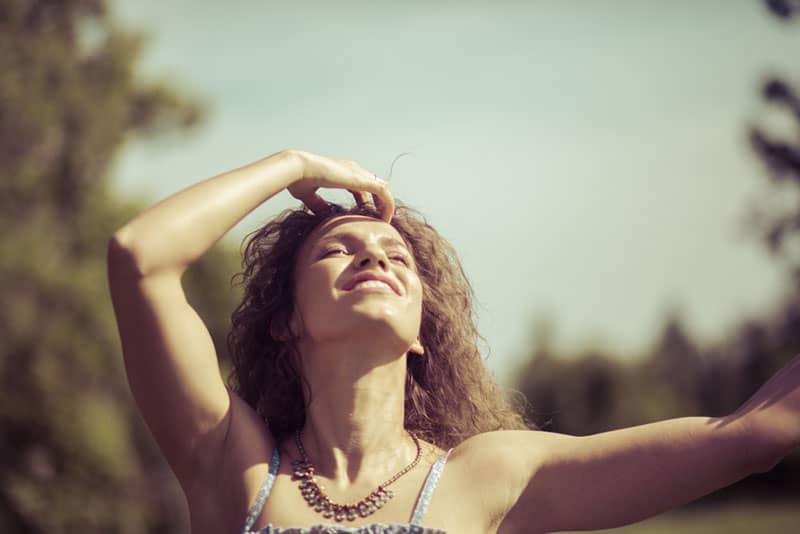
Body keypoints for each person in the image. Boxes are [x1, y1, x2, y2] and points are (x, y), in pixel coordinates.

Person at [107, 149, 800, 534]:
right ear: (285, 320)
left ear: (420, 336)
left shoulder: (489, 476)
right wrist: (292, 166)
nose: (376, 258)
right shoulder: (235, 469)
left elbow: (756, 434)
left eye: (396, 257)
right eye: (339, 251)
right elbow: (139, 256)